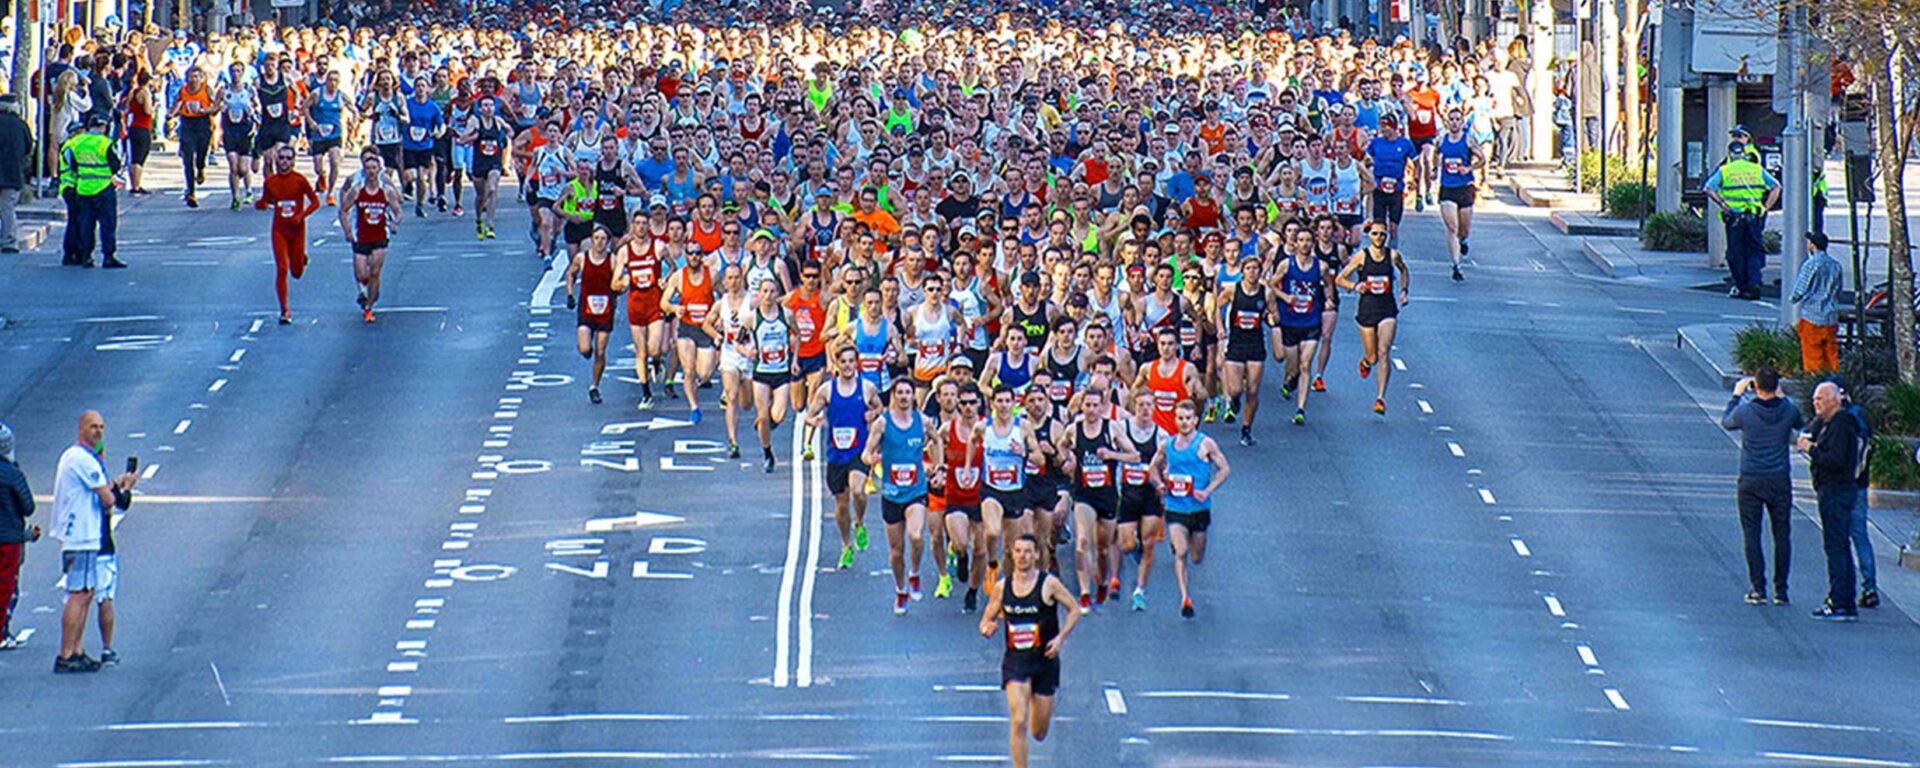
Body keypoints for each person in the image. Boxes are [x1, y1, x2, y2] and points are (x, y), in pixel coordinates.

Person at [978, 534, 1082, 768]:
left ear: (1036, 555)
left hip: (1045, 661)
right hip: (1016, 663)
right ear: (1012, 554)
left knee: (1038, 731)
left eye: (1027, 551)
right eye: (1018, 551)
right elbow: (986, 619)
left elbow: (1074, 610)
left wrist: (1060, 639)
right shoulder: (1002, 588)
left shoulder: (1049, 584)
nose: (1022, 556)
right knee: (1019, 720)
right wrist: (988, 627)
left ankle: (1037, 702)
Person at [53, 411, 137, 673]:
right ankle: (66, 652)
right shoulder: (80, 458)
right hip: (79, 535)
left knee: (87, 592)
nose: (98, 431)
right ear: (81, 429)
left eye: (101, 427)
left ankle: (77, 649)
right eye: (93, 427)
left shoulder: (85, 459)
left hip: (88, 536)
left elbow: (106, 489)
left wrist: (118, 486)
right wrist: (120, 490)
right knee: (78, 594)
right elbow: (108, 499)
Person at [1722, 367, 1803, 605]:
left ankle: (1758, 588)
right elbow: (1801, 423)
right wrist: (1782, 397)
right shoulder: (1788, 410)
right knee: (1782, 534)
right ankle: (1781, 590)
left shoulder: (1746, 412)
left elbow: (1727, 421)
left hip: (1751, 477)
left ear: (1755, 387)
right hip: (1779, 478)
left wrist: (1736, 395)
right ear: (1777, 386)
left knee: (1752, 534)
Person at [1152, 400, 1230, 619]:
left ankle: (1185, 550)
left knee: (1196, 556)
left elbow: (1224, 470)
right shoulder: (1167, 445)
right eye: (1180, 419)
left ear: (1195, 420)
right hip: (1175, 506)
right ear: (1175, 420)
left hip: (1199, 508)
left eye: (1188, 419)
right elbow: (1152, 468)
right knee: (1182, 553)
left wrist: (1207, 491)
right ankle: (1185, 598)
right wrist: (1159, 484)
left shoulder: (1206, 444)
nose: (1184, 423)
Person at [807, 345, 881, 570]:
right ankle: (846, 545)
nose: (848, 366)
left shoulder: (866, 387)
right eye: (844, 361)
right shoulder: (827, 390)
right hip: (835, 453)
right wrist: (815, 421)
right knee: (840, 504)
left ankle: (859, 522)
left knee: (858, 490)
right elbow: (810, 414)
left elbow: (880, 408)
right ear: (837, 364)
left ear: (856, 363)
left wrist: (873, 414)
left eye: (851, 361)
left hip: (859, 450)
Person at [864, 379, 932, 616]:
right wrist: (870, 459)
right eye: (900, 392)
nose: (904, 397)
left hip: (916, 491)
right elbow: (866, 452)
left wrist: (938, 464)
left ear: (914, 396)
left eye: (908, 393)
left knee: (916, 535)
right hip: (892, 494)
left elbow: (936, 441)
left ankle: (914, 573)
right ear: (893, 395)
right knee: (896, 551)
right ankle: (901, 589)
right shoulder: (882, 423)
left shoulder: (923, 422)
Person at [1800, 382, 1863, 621]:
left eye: (1820, 399)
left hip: (1837, 491)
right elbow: (1811, 429)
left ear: (1835, 400)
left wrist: (1812, 450)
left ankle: (1841, 601)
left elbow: (1835, 459)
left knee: (1836, 546)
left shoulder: (1841, 425)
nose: (1816, 403)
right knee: (1839, 546)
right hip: (1832, 490)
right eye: (1814, 399)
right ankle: (1843, 598)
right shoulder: (1828, 423)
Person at [1336, 222, 1410, 415]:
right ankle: (1367, 361)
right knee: (1373, 355)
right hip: (1367, 308)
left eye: (1382, 234)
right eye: (1375, 234)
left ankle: (1380, 398)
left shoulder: (1392, 255)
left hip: (1387, 308)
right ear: (1369, 235)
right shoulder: (1362, 256)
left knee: (1384, 351)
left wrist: (1404, 291)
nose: (1379, 238)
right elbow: (1340, 278)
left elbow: (1404, 270)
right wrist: (1355, 286)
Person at [1702, 143, 1781, 300]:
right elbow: (1776, 186)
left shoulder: (1725, 170)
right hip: (1753, 217)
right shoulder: (1756, 169)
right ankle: (1754, 283)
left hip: (1734, 218)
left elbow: (1708, 188)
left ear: (1730, 154)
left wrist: (1723, 204)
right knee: (1754, 251)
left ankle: (1741, 286)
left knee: (1735, 252)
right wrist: (1766, 207)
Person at [255, 146, 321, 324]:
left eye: (288, 158)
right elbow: (266, 200)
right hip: (279, 230)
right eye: (282, 158)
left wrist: (301, 216)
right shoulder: (271, 181)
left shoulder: (299, 180)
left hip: (297, 229)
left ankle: (300, 258)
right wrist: (260, 204)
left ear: (293, 161)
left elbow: (316, 202)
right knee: (282, 268)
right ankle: (284, 310)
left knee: (297, 272)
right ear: (277, 160)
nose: (285, 162)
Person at [566, 226, 627, 405]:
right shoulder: (582, 258)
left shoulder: (613, 260)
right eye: (596, 238)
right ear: (591, 240)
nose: (599, 242)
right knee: (585, 348)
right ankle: (587, 350)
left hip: (606, 311)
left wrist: (620, 289)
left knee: (601, 351)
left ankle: (595, 386)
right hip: (587, 308)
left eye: (603, 239)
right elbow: (571, 274)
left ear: (608, 242)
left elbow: (619, 282)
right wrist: (570, 294)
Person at [339, 149, 402, 323]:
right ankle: (369, 290)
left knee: (375, 272)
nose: (371, 171)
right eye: (368, 168)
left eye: (374, 168)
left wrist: (395, 222)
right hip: (361, 236)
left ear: (379, 169)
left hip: (380, 236)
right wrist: (348, 231)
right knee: (362, 275)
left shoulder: (386, 190)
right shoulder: (357, 190)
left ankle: (369, 306)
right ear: (364, 170)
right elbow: (343, 210)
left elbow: (398, 210)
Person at [60, 114, 124, 269]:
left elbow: (72, 165)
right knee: (107, 223)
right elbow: (115, 165)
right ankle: (108, 256)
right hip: (103, 187)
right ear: (103, 127)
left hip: (83, 188)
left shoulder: (77, 142)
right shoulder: (105, 143)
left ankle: (86, 256)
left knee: (86, 223)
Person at [1434, 108, 1483, 282]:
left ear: (1462, 122)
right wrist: (1434, 169)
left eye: (1457, 120)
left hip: (1465, 187)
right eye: (1452, 119)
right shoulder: (1441, 140)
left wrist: (1469, 169)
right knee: (1452, 228)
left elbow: (1482, 159)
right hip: (1447, 188)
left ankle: (1463, 241)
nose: (1454, 123)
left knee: (1464, 229)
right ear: (1448, 122)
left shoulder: (1468, 140)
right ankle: (1456, 265)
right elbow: (1435, 153)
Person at [0, 422, 35, 650]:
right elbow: (28, 506)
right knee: (6, 586)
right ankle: (3, 630)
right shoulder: (13, 474)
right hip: (9, 539)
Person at [1790, 232, 1842, 374]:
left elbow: (1800, 289)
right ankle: (1834, 380)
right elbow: (1838, 290)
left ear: (1812, 246)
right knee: (1831, 351)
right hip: (1831, 316)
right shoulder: (1836, 265)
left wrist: (1793, 299)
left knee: (1812, 352)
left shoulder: (1811, 264)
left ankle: (1815, 380)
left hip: (1812, 314)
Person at [0, 95, 33, 253]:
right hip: (13, 172)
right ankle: (9, 241)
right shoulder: (21, 125)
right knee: (8, 208)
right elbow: (28, 148)